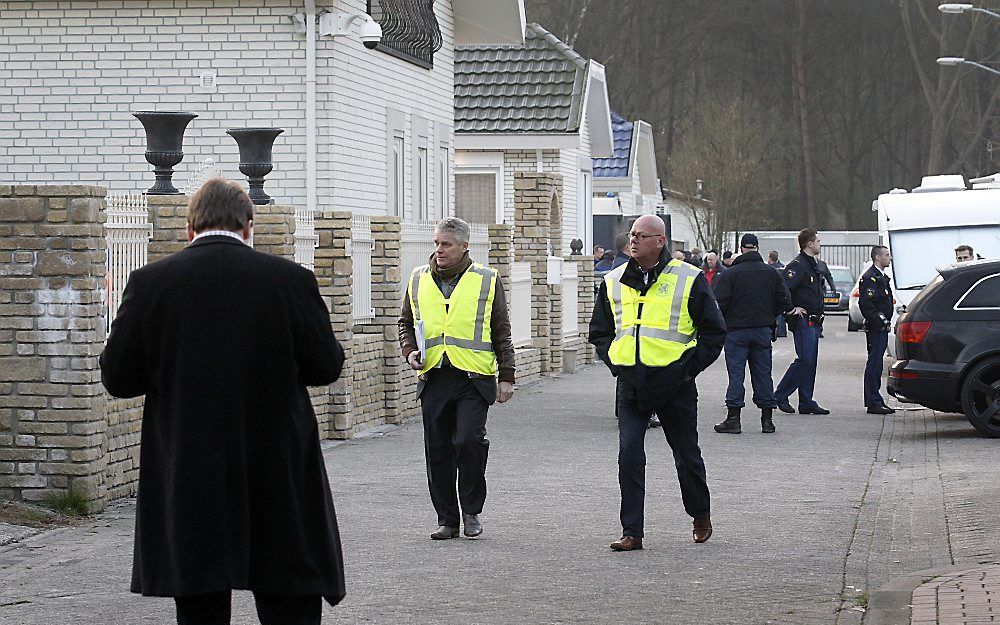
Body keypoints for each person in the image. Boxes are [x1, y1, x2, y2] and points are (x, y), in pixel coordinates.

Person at [100, 178, 347, 625]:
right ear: (248, 226)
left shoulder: (150, 283)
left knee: (200, 598)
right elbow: (326, 367)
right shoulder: (291, 280)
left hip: (189, 466)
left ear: (189, 228)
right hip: (277, 464)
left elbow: (117, 377)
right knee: (288, 592)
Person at [589, 215, 727, 551]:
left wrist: (687, 370)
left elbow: (714, 331)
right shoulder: (613, 280)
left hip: (675, 383)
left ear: (660, 241)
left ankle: (700, 514)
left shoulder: (688, 278)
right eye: (631, 235)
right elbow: (600, 332)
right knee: (629, 454)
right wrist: (617, 364)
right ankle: (632, 531)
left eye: (641, 236)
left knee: (686, 454)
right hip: (632, 383)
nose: (633, 241)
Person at [398, 217, 516, 541]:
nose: (439, 250)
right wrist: (409, 352)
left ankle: (472, 512)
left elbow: (501, 330)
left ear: (465, 247)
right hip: (434, 377)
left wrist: (507, 377)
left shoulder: (487, 280)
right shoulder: (418, 278)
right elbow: (405, 323)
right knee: (437, 450)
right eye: (436, 243)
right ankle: (447, 519)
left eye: (446, 244)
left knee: (468, 442)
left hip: (473, 378)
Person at [711, 233, 791, 434]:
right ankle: (767, 420)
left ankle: (734, 419)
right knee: (763, 374)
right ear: (757, 247)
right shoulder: (770, 273)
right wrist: (769, 315)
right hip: (762, 330)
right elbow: (785, 301)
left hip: (736, 331)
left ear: (741, 248)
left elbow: (719, 304)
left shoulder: (730, 274)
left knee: (736, 374)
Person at [774, 228, 830, 415]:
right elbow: (782, 288)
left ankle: (806, 400)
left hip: (814, 320)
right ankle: (780, 394)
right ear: (810, 243)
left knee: (810, 360)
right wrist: (791, 309)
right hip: (803, 320)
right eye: (818, 241)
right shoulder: (798, 265)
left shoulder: (811, 264)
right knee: (805, 359)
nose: (820, 244)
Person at [859, 245, 895, 415]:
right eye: (887, 255)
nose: (890, 258)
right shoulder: (870, 278)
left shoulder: (881, 277)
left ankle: (876, 399)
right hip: (876, 328)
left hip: (881, 326)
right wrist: (880, 321)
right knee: (874, 364)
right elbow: (866, 304)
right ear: (878, 258)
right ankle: (873, 401)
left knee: (878, 363)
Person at [768, 251, 788, 338]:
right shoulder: (783, 267)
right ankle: (782, 331)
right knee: (781, 313)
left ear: (770, 258)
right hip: (781, 293)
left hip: (771, 293)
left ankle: (773, 331)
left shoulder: (769, 269)